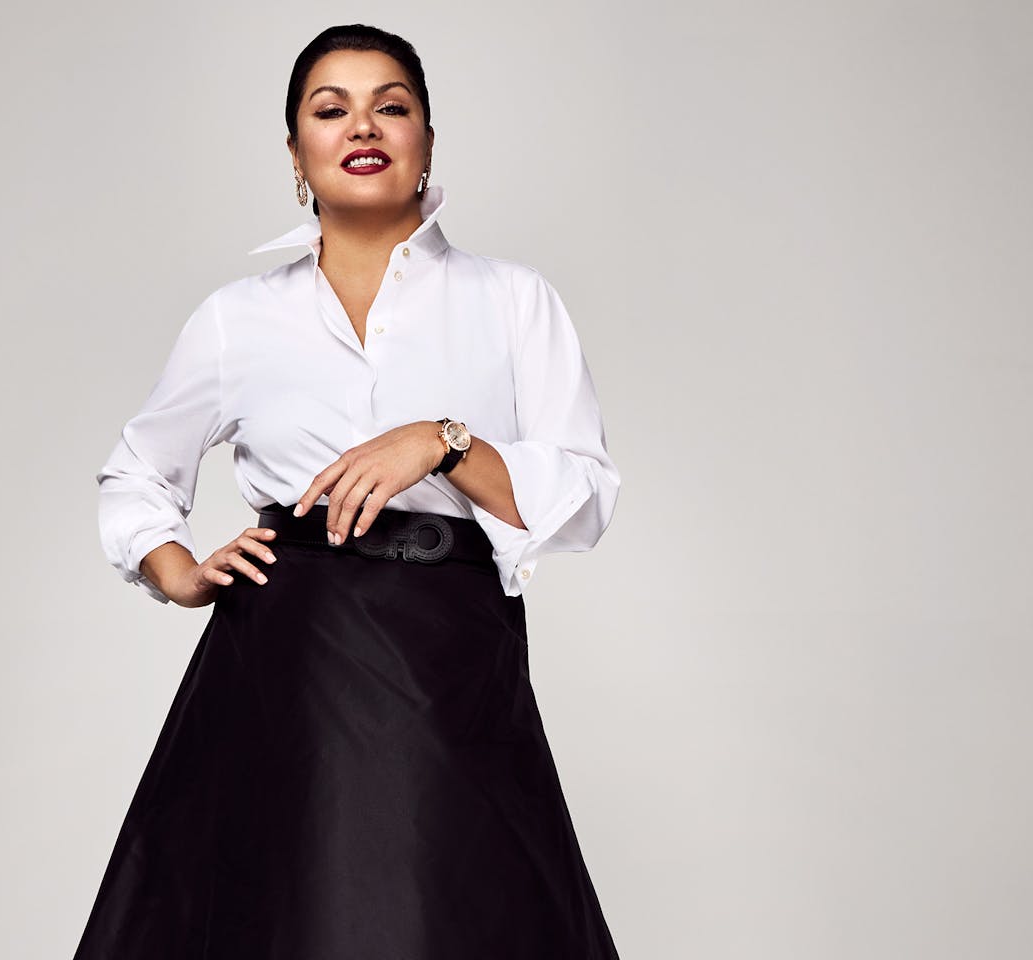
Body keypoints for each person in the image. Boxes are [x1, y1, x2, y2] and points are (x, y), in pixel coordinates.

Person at [73, 23, 623, 960]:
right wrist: (178, 572)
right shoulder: (236, 319)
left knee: (450, 914)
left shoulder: (512, 299)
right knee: (277, 917)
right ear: (297, 154)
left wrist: (442, 444)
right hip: (282, 660)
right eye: (331, 110)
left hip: (450, 657)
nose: (363, 125)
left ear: (428, 142)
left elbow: (584, 495)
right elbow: (137, 472)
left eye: (392, 105)